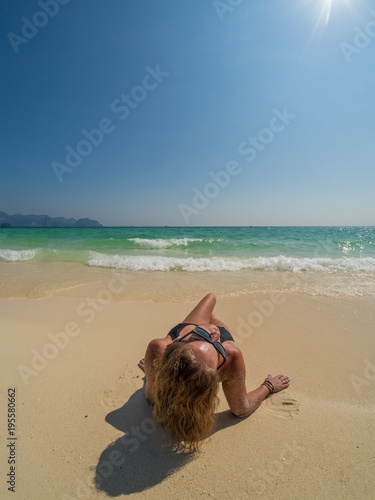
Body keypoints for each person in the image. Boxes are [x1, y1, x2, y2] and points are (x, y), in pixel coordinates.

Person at [138, 293, 290, 452]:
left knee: (210, 298)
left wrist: (155, 371)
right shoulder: (229, 356)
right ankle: (205, 323)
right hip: (195, 339)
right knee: (212, 304)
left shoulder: (158, 348)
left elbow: (150, 396)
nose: (215, 333)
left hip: (185, 331)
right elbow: (241, 409)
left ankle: (200, 328)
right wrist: (268, 386)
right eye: (218, 348)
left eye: (204, 337)